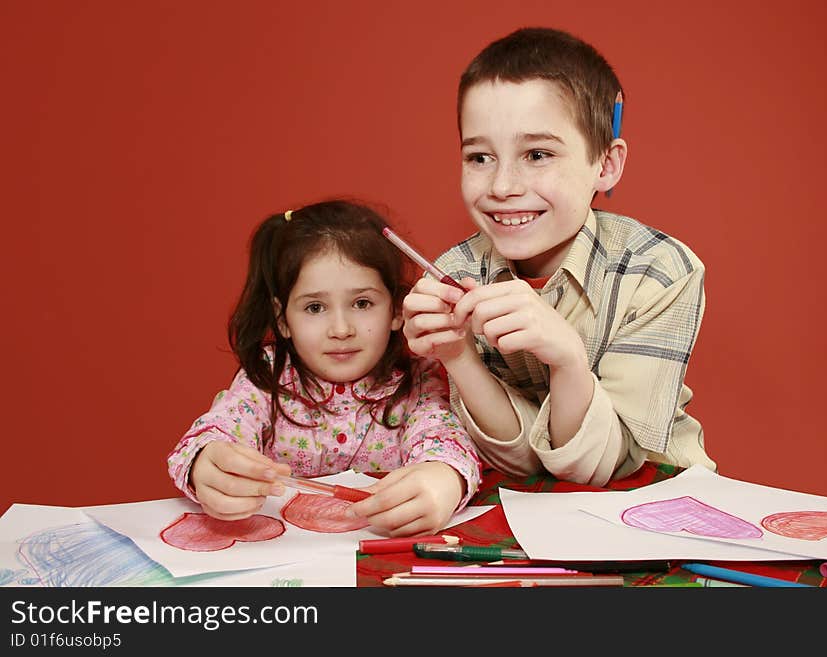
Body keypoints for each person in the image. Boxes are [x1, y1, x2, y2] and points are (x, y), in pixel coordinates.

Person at [402, 27, 717, 486]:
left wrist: (568, 360)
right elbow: (524, 464)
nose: (502, 186)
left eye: (537, 154)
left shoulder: (660, 271)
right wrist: (458, 357)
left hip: (657, 501)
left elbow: (614, 466)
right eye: (479, 158)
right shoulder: (455, 275)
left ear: (605, 165)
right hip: (530, 516)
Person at [168, 200, 482, 536]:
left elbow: (447, 442)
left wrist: (444, 478)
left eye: (362, 303)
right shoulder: (266, 380)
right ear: (282, 318)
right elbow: (211, 435)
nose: (341, 329)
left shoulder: (419, 381)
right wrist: (207, 464)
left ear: (395, 310)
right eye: (315, 307)